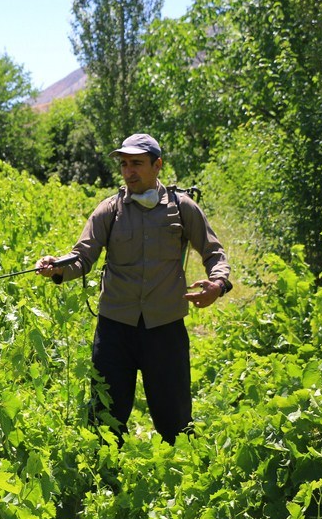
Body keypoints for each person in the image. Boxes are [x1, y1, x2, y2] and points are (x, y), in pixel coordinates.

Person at [36, 133, 231, 445]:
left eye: (137, 163)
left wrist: (218, 284)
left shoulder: (183, 208)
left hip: (165, 329)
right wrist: (58, 267)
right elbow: (82, 258)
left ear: (157, 165)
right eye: (124, 164)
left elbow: (214, 253)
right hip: (115, 329)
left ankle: (181, 479)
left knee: (175, 419)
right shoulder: (108, 211)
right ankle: (104, 483)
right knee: (105, 417)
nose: (129, 171)